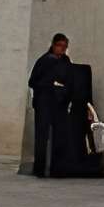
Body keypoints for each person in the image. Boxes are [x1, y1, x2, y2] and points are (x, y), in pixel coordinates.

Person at [27, 35, 75, 179]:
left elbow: (70, 80)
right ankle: (39, 168)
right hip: (44, 102)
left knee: (61, 136)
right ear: (54, 45)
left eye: (65, 47)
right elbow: (33, 81)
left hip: (60, 103)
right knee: (42, 136)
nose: (62, 49)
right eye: (60, 46)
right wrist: (51, 85)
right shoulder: (44, 61)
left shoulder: (66, 62)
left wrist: (65, 92)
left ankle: (58, 169)